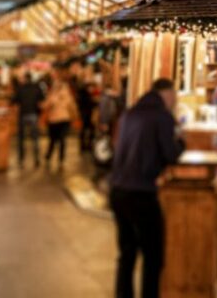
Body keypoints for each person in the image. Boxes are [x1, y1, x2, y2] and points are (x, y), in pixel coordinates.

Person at [109, 78, 185, 298]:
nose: (174, 102)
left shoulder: (129, 114)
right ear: (167, 94)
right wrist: (181, 142)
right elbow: (171, 154)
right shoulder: (162, 116)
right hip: (141, 193)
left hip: (118, 191)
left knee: (127, 252)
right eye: (174, 98)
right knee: (153, 254)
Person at [43, 77, 77, 169]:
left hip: (56, 120)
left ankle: (50, 157)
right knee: (60, 140)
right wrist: (74, 117)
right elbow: (73, 109)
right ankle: (59, 159)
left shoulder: (53, 95)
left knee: (55, 140)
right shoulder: (67, 96)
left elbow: (45, 106)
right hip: (62, 120)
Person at [12, 72, 44, 168]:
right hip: (33, 114)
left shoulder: (20, 88)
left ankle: (21, 158)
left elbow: (13, 101)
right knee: (35, 138)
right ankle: (36, 158)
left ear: (25, 78)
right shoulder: (36, 88)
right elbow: (42, 99)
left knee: (21, 138)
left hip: (23, 114)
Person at [76, 81, 96, 152]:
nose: (92, 89)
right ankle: (85, 145)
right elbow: (89, 104)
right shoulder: (85, 95)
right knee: (87, 130)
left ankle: (84, 145)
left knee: (86, 131)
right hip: (86, 115)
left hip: (85, 115)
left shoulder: (83, 95)